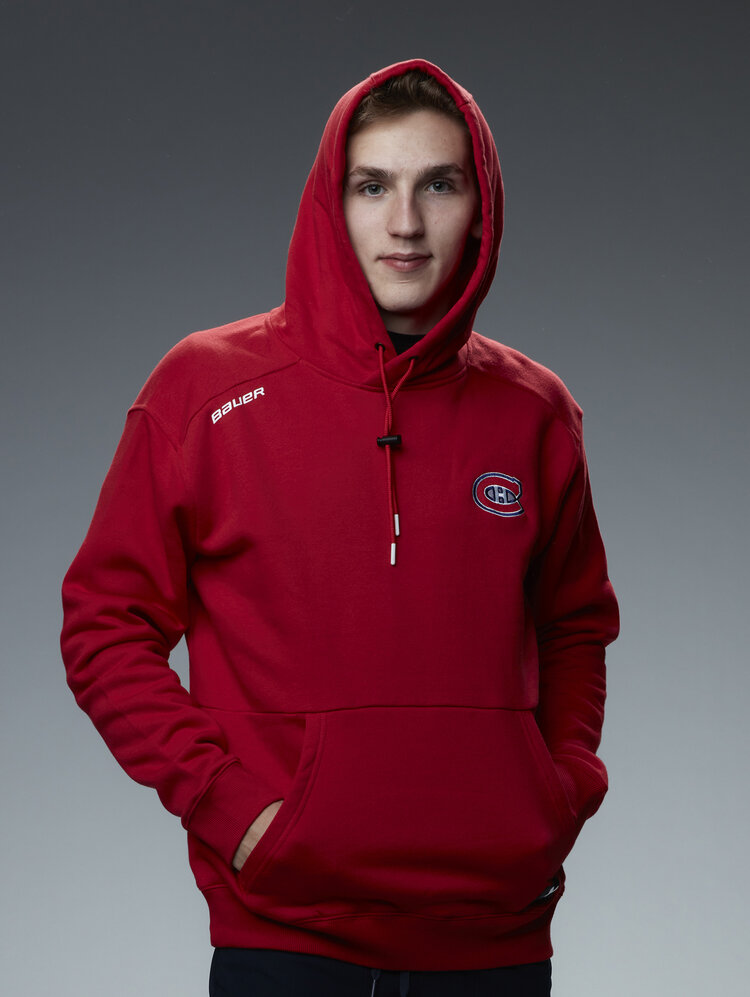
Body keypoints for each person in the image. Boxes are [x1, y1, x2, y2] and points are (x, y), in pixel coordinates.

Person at [61, 58, 619, 996]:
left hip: (495, 935)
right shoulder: (203, 390)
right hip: (285, 933)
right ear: (332, 201)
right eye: (372, 186)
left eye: (438, 184)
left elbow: (575, 624)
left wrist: (559, 791)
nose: (405, 223)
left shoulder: (536, 411)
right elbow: (103, 624)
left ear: (481, 208)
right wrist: (231, 808)